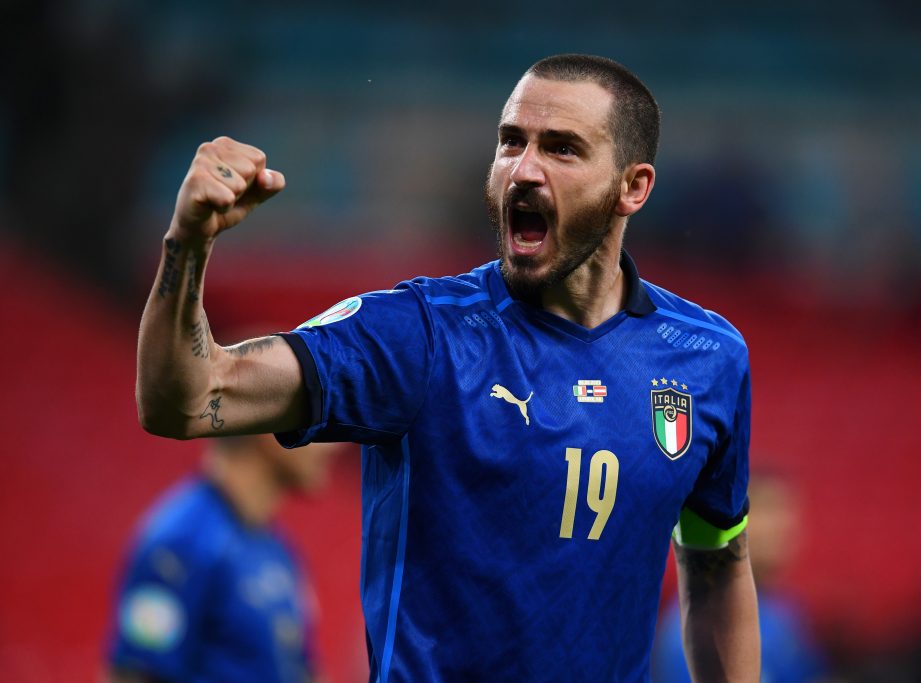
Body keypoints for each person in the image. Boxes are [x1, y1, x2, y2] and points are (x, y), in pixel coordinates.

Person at [136, 54, 759, 681]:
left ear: (633, 187)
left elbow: (716, 564)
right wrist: (187, 245)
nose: (524, 170)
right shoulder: (419, 334)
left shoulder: (707, 360)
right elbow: (186, 400)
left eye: (562, 149)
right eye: (511, 142)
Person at [105, 433, 336, 682]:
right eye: (314, 424)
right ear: (268, 432)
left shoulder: (277, 550)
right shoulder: (182, 542)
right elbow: (134, 673)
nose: (333, 447)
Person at [652, 471, 828, 683]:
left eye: (786, 516)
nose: (781, 528)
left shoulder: (788, 612)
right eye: (768, 513)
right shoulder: (697, 620)